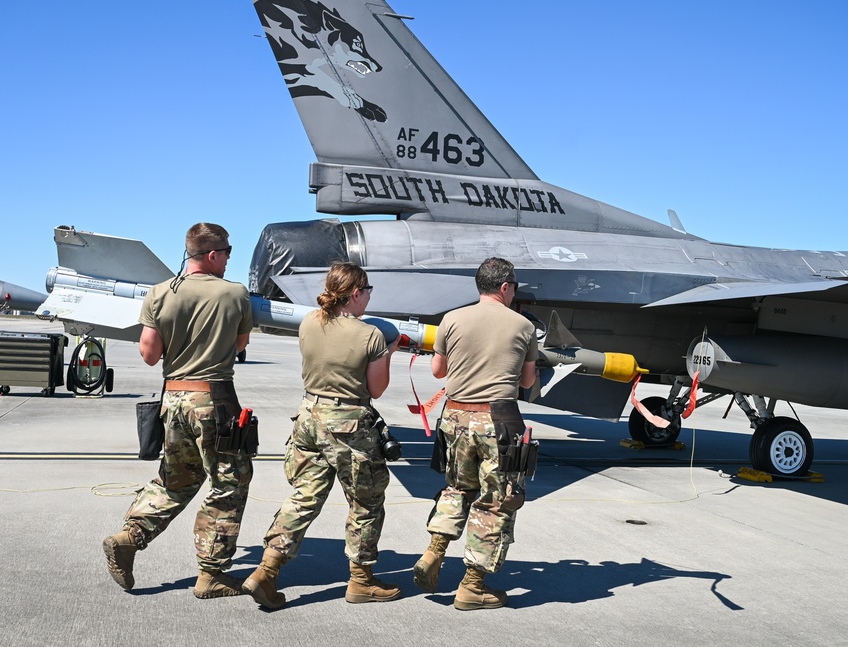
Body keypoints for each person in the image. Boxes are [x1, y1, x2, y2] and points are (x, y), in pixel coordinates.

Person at [102, 223, 254, 599]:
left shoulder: (158, 294)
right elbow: (240, 345)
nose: (228, 260)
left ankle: (129, 537)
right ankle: (211, 574)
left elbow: (150, 354)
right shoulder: (235, 294)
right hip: (215, 401)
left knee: (176, 481)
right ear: (214, 254)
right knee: (229, 485)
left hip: (173, 400)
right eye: (228, 253)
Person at [243, 263, 401, 609]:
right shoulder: (370, 336)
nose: (370, 298)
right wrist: (389, 352)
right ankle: (361, 581)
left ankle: (266, 570)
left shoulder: (310, 322)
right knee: (366, 502)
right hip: (349, 426)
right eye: (368, 291)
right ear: (356, 293)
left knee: (305, 496)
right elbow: (376, 388)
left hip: (309, 417)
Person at [413, 257, 538, 610]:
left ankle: (434, 552)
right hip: (498, 421)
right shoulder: (523, 326)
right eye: (513, 287)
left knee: (456, 489)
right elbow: (527, 382)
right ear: (504, 287)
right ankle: (472, 585)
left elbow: (438, 371)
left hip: (454, 416)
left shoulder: (451, 319)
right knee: (496, 502)